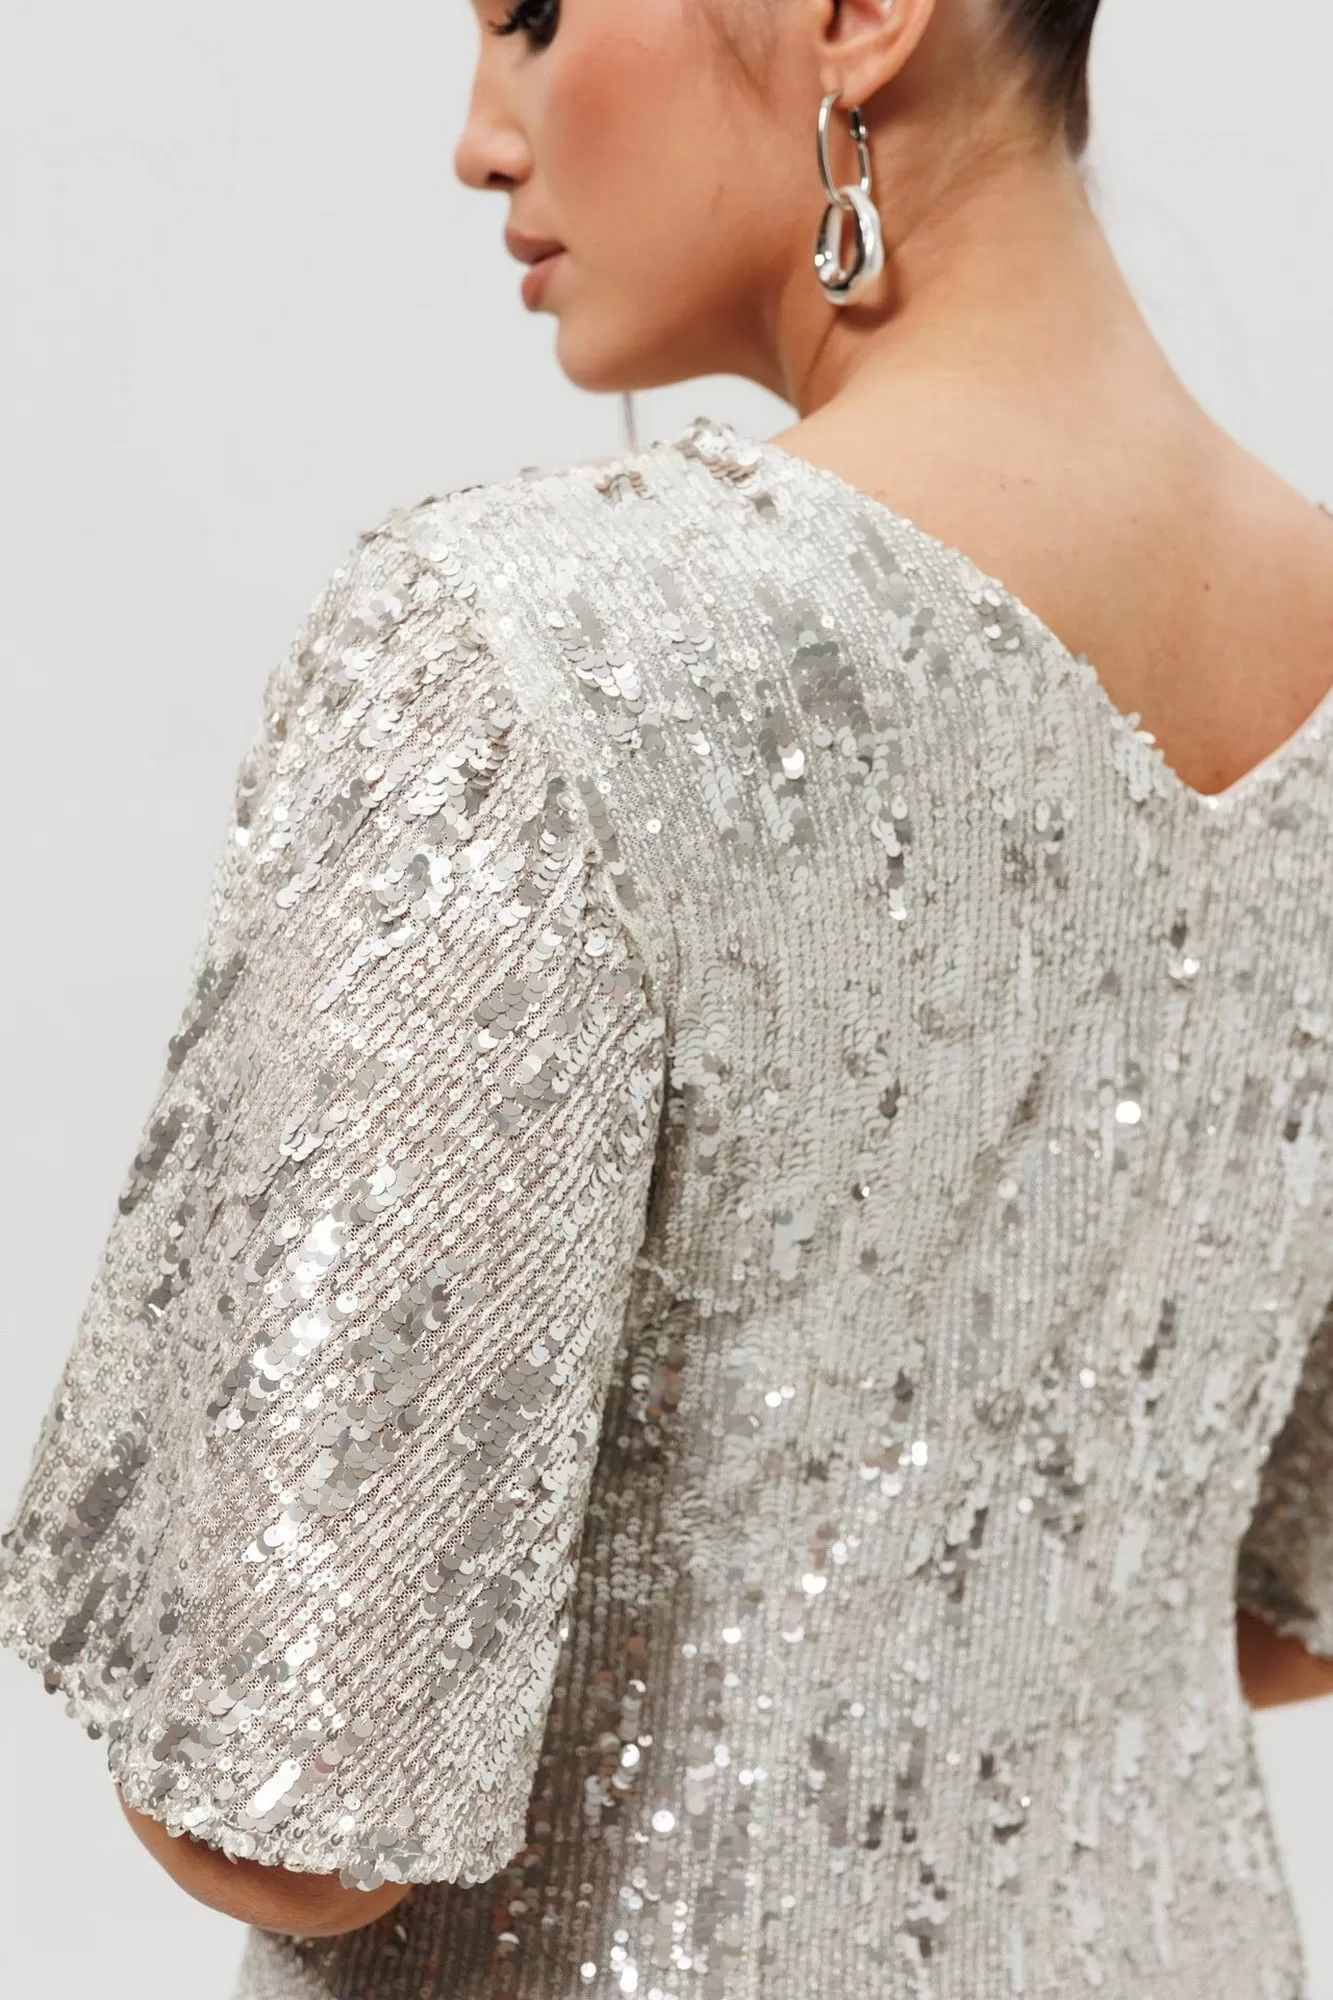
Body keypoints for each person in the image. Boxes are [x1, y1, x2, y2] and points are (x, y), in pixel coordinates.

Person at [2, 0, 1330, 1994]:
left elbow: (284, 1809)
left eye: (533, 16)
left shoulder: (526, 658)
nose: (479, 135)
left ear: (861, 15)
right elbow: (1289, 1612)